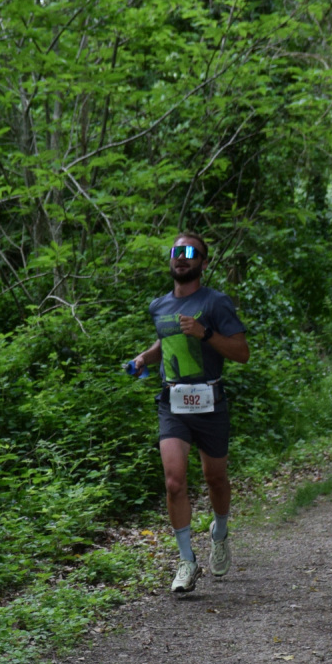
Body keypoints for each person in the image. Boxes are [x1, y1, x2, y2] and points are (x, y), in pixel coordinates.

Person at [123, 231, 250, 595]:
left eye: (191, 252)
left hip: (210, 402)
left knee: (215, 479)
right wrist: (144, 358)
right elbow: (167, 340)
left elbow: (242, 352)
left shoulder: (216, 302)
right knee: (174, 482)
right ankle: (186, 561)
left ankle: (220, 533)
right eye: (176, 251)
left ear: (203, 263)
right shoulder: (159, 305)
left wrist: (205, 333)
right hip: (173, 402)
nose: (182, 257)